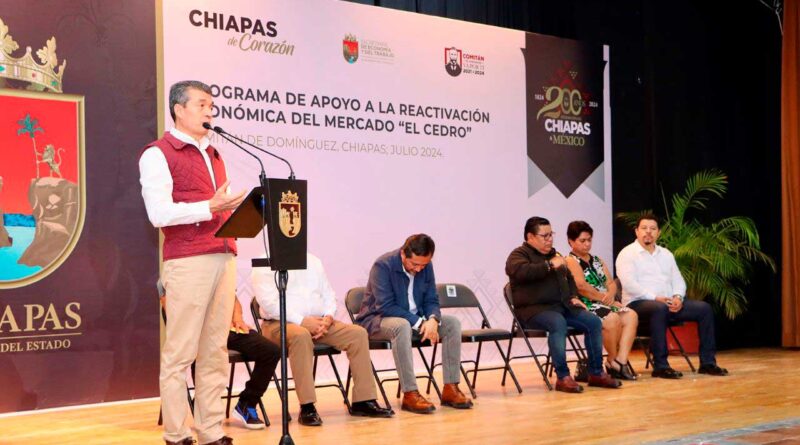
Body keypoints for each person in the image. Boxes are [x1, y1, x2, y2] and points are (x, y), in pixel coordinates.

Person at [139, 80, 246, 445]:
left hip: (223, 256)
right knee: (180, 351)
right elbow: (158, 213)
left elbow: (216, 206)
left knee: (215, 350)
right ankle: (176, 433)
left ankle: (211, 430)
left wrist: (236, 212)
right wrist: (209, 206)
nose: (209, 112)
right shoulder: (157, 153)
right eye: (202, 105)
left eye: (211, 106)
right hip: (188, 261)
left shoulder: (214, 153)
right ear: (179, 109)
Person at [251, 253, 393, 426]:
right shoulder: (264, 262)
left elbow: (328, 294)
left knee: (357, 334)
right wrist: (302, 321)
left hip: (318, 322)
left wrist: (328, 316)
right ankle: (307, 406)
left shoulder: (313, 260)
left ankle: (363, 401)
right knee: (301, 336)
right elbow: (268, 303)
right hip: (279, 323)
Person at [356, 234, 473, 413]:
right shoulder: (383, 265)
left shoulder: (426, 266)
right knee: (401, 326)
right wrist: (420, 323)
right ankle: (410, 393)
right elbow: (386, 307)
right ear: (403, 254)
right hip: (377, 320)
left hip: (414, 319)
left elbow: (432, 299)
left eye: (423, 265)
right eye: (414, 264)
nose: (419, 269)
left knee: (452, 324)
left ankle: (451, 388)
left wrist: (433, 319)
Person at [505, 216, 621, 393]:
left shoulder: (555, 255)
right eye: (545, 236)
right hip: (533, 310)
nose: (549, 239)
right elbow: (520, 272)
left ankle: (596, 373)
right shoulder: (519, 255)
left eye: (551, 234)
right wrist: (549, 265)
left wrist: (574, 296)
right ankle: (563, 377)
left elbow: (569, 278)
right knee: (557, 323)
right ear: (530, 237)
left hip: (562, 307)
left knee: (593, 322)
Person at [616, 214, 729, 379]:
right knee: (659, 308)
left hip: (667, 303)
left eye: (653, 229)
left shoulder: (666, 254)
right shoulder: (627, 254)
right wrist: (655, 297)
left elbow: (678, 280)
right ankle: (661, 366)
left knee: (704, 309)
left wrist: (678, 297)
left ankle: (708, 363)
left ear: (658, 233)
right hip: (638, 304)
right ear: (636, 231)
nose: (648, 232)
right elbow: (629, 284)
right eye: (644, 228)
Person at [157, 280, 280, 430]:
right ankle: (203, 406)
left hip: (226, 329)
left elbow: (232, 298)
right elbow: (172, 312)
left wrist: (237, 318)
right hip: (197, 332)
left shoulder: (218, 271)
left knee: (271, 351)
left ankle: (247, 403)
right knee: (204, 351)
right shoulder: (171, 277)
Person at [564, 221, 638, 381]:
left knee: (631, 315)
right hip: (586, 304)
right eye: (582, 240)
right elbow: (581, 287)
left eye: (589, 240)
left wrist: (611, 295)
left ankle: (620, 360)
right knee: (612, 318)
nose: (587, 244)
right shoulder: (570, 261)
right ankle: (612, 359)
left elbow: (611, 283)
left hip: (605, 302)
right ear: (571, 241)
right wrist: (606, 300)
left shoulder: (597, 260)